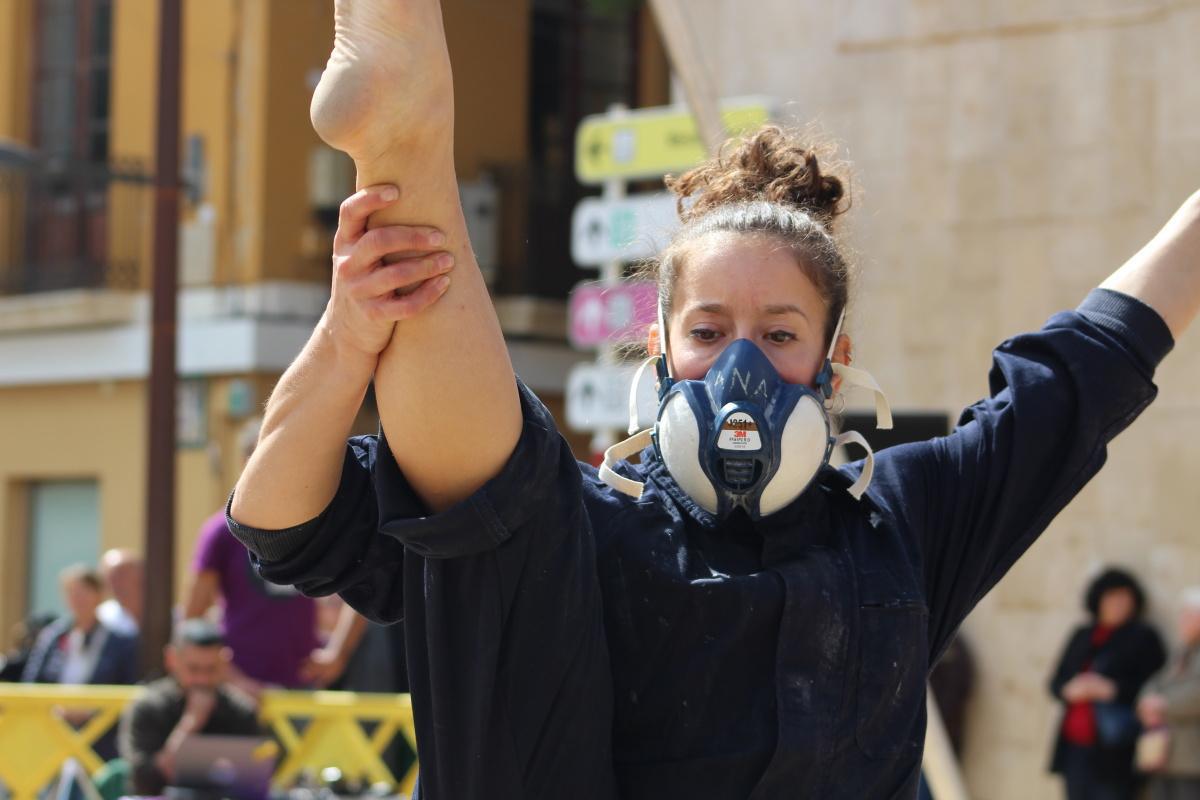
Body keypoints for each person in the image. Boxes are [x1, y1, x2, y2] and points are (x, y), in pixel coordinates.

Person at [226, 2, 1200, 797]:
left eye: (779, 334)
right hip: (539, 617)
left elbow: (1084, 370)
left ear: (833, 357)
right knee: (508, 516)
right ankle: (406, 135)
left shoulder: (902, 520)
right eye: (708, 332)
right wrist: (348, 335)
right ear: (659, 345)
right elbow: (277, 518)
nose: (742, 366)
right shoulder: (584, 521)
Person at [182, 417, 323, 692]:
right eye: (263, 457)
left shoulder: (312, 522)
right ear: (246, 463)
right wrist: (232, 678)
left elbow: (360, 580)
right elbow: (192, 619)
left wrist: (337, 653)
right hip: (240, 688)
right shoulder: (221, 531)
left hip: (302, 684)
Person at [1048, 568, 1167, 800]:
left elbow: (1157, 689)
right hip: (1075, 747)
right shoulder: (1082, 634)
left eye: (1125, 599)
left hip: (1117, 749)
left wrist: (1110, 690)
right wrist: (1070, 690)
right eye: (1112, 598)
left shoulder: (1143, 637)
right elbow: (1055, 683)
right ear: (1098, 600)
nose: (1118, 605)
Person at [117, 619, 261, 796]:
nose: (202, 679)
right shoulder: (148, 707)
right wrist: (191, 722)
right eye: (193, 669)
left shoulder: (241, 711)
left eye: (211, 670)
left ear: (224, 663)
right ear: (172, 659)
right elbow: (145, 782)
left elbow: (254, 784)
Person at [21, 565, 138, 687]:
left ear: (99, 595)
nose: (78, 599)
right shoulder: (52, 636)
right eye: (72, 592)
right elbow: (31, 681)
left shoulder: (120, 642)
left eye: (84, 592)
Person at [1138, 589, 1200, 799]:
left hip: (1192, 759)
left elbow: (1195, 695)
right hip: (1165, 754)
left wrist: (1162, 705)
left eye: (1190, 616)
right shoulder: (1182, 652)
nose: (1183, 621)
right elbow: (1158, 681)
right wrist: (1146, 702)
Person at [97, 548, 142, 637]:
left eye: (122, 574)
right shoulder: (102, 617)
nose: (116, 583)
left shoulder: (169, 616)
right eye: (110, 576)